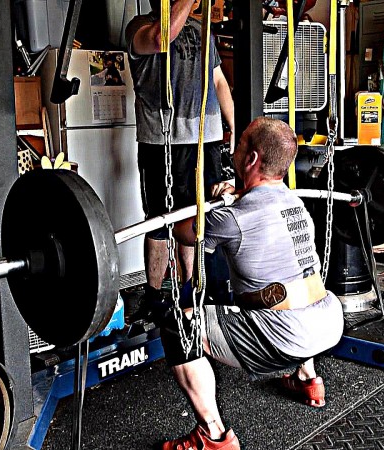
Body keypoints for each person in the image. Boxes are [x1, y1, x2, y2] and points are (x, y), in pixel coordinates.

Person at [154, 117, 344, 450]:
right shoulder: (296, 204)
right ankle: (307, 378)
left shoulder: (234, 218)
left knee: (176, 321)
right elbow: (258, 206)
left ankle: (213, 435)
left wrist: (210, 203)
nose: (234, 147)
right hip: (328, 324)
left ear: (252, 158)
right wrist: (240, 192)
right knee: (290, 283)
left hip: (284, 340)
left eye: (240, 143)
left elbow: (182, 231)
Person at [124, 0, 235, 305]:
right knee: (160, 220)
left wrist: (235, 127)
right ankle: (154, 294)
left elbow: (219, 80)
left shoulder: (203, 30)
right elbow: (163, 38)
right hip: (162, 141)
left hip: (205, 139)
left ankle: (191, 289)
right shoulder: (139, 27)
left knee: (196, 217)